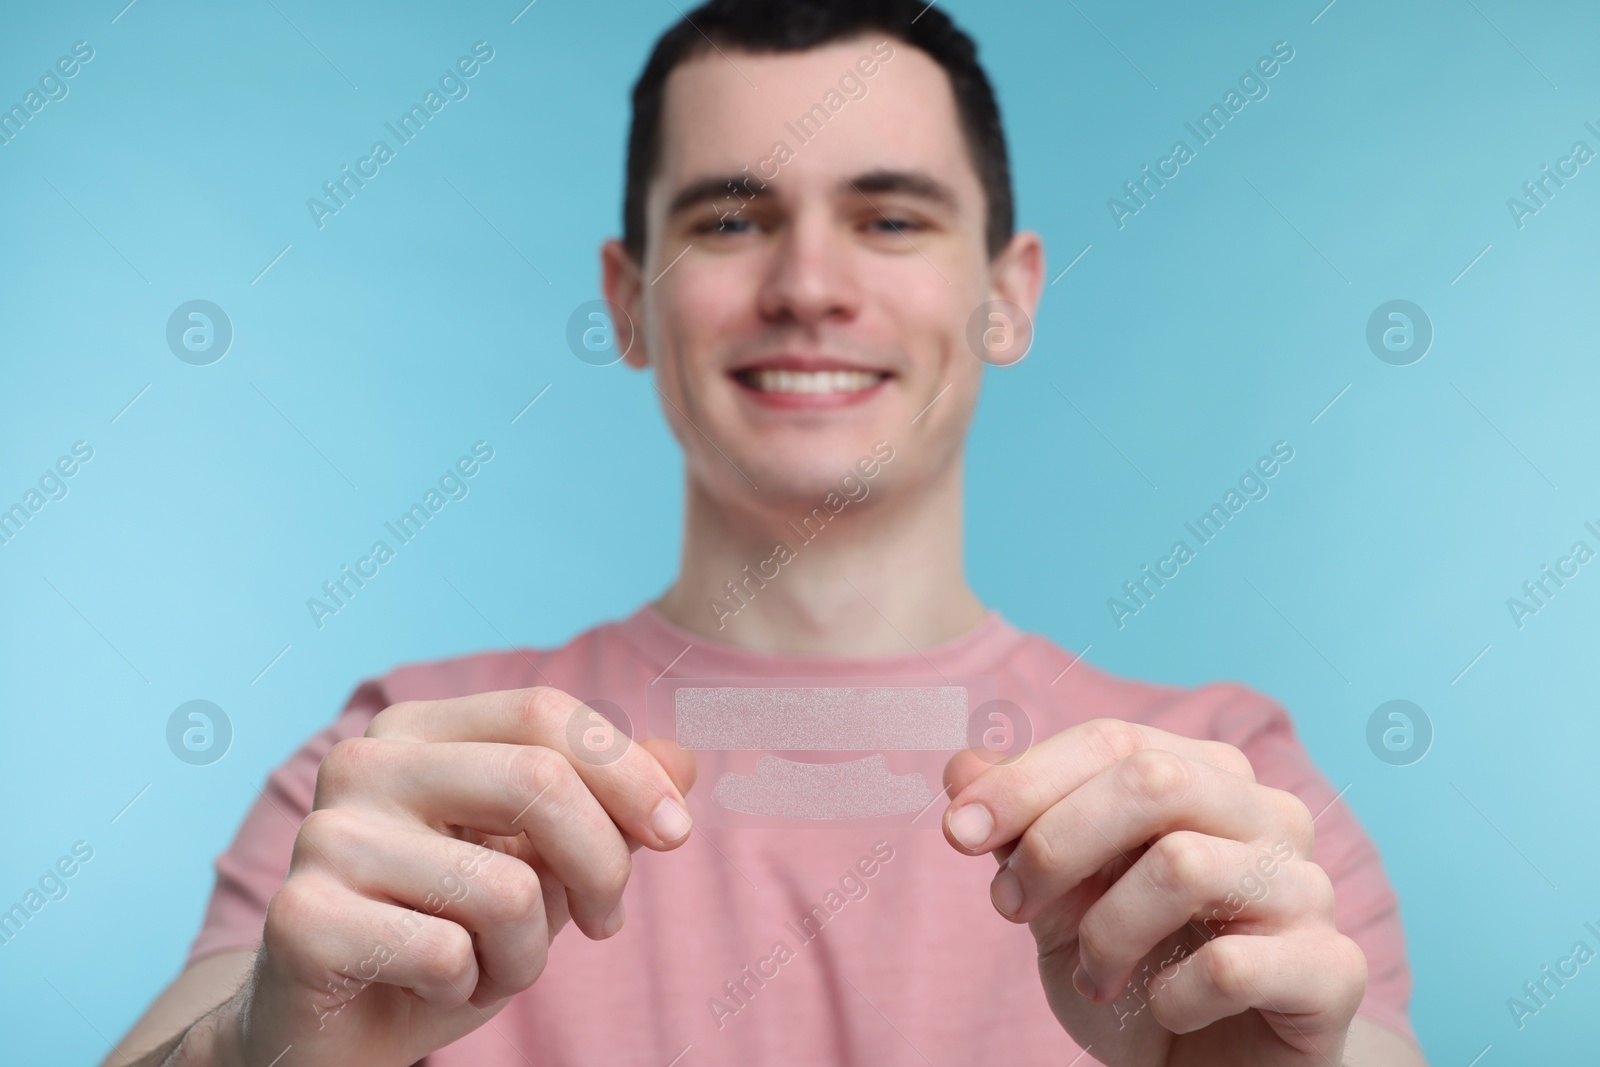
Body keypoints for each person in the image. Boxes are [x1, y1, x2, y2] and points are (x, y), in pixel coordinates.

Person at [110, 1, 1428, 1063]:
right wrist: (254, 1055)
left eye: (891, 218)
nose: (808, 286)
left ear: (1007, 299)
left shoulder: (1228, 792)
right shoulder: (401, 765)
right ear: (628, 303)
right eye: (731, 219)